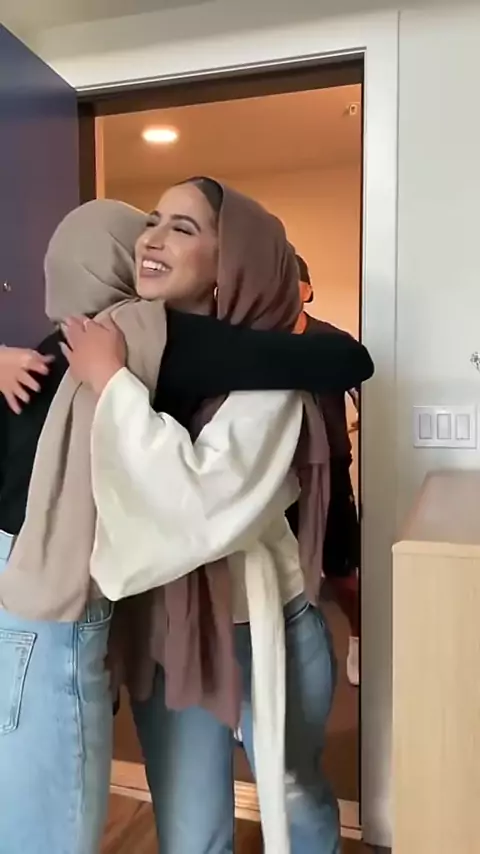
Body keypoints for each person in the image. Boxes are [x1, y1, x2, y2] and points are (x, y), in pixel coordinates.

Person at [0, 193, 373, 854]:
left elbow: (196, 498)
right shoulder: (126, 342)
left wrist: (109, 378)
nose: (153, 239)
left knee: (283, 799)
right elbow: (343, 360)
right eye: (149, 224)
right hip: (149, 618)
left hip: (241, 617)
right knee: (152, 827)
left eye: (181, 227)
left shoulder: (121, 350)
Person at [289, 253, 361, 686]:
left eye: (293, 281)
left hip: (331, 466)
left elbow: (365, 391)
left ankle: (358, 637)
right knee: (280, 568)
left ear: (308, 290)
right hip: (279, 473)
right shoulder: (258, 345)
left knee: (341, 570)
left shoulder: (332, 341)